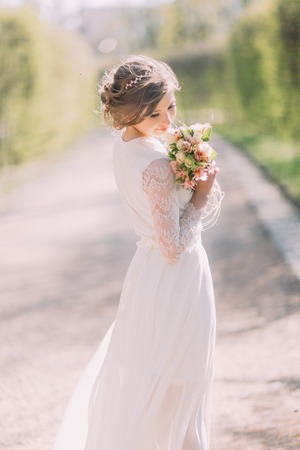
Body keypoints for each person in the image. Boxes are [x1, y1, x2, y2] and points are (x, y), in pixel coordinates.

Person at [53, 55, 223, 450]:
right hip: (177, 280)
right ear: (130, 111)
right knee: (185, 382)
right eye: (154, 113)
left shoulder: (126, 145)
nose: (167, 120)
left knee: (159, 380)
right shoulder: (156, 164)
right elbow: (174, 245)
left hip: (147, 275)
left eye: (170, 107)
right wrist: (200, 194)